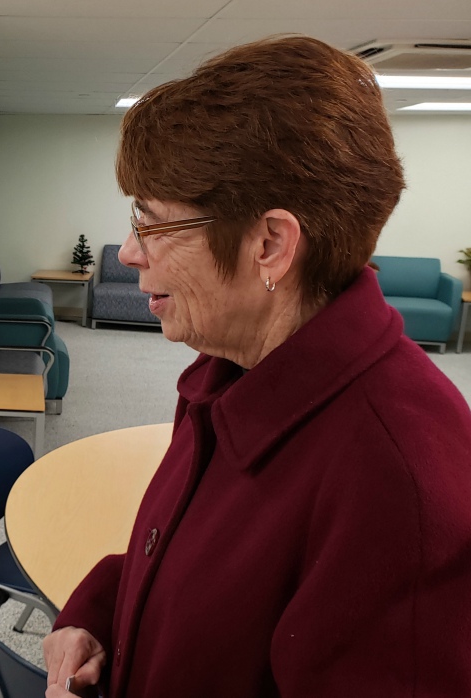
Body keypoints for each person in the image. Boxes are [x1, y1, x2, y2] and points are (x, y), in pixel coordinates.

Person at [43, 36, 471, 697]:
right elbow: (202, 570)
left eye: (153, 225)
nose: (128, 251)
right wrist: (99, 613)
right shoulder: (231, 372)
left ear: (269, 244)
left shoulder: (398, 478)